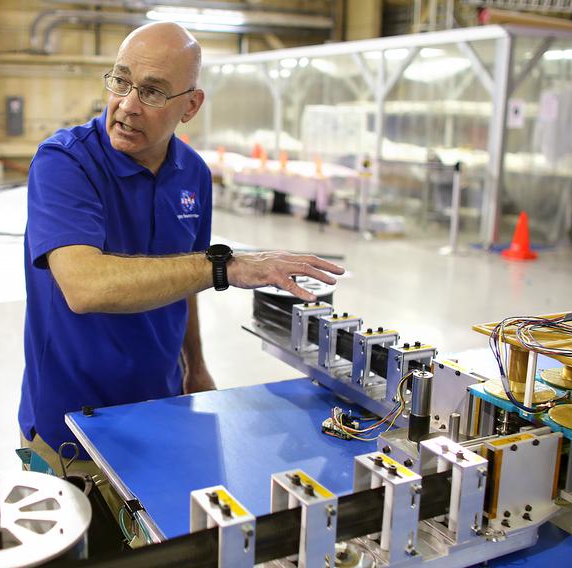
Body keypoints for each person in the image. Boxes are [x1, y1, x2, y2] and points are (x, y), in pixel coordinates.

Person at [18, 22, 343, 488]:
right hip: (70, 427)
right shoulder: (64, 163)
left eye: (151, 92)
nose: (127, 105)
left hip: (161, 408)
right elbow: (84, 287)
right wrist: (223, 265)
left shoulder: (192, 173)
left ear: (190, 105)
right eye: (121, 81)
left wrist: (197, 366)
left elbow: (186, 281)